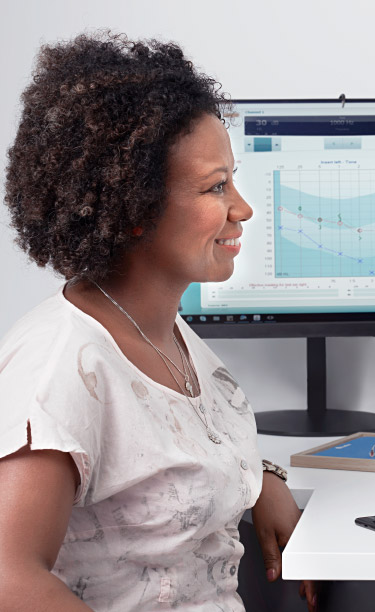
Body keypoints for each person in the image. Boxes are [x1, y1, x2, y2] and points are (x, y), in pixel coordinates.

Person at [0, 33, 318, 611]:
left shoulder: (165, 332)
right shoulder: (61, 366)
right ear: (136, 208)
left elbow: (183, 443)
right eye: (216, 186)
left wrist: (263, 481)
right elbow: (8, 579)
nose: (242, 208)